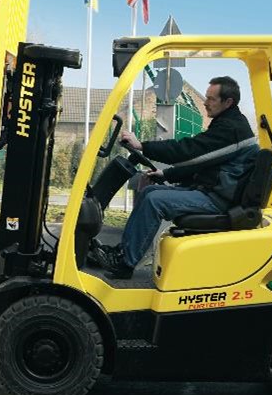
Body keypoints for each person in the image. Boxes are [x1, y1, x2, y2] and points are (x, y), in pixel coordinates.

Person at [92, 76, 258, 279]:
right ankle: (123, 252)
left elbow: (188, 152)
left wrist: (142, 146)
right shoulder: (227, 124)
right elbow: (201, 163)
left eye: (211, 99)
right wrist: (165, 174)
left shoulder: (232, 129)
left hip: (219, 200)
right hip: (211, 190)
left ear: (228, 102)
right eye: (206, 97)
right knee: (150, 192)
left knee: (154, 200)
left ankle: (125, 263)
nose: (205, 102)